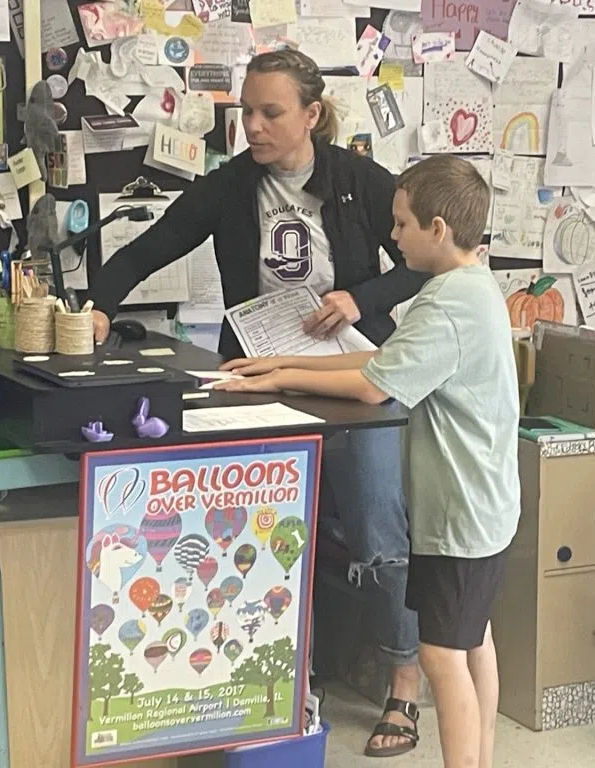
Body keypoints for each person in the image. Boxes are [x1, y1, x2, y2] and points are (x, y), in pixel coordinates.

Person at [87, 49, 428, 758]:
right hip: (262, 379)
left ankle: (405, 678)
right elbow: (152, 245)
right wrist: (96, 305)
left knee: (376, 533)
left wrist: (359, 297)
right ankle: (276, 679)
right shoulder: (231, 185)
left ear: (311, 114)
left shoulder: (360, 180)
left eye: (271, 112)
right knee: (256, 539)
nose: (253, 126)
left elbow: (427, 261)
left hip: (354, 383)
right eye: (245, 111)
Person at [216, 155, 521, 768]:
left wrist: (277, 381)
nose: (393, 236)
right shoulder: (470, 286)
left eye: (403, 225)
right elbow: (375, 362)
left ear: (437, 230)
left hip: (459, 513)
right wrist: (278, 368)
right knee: (474, 640)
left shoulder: (444, 305)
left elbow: (372, 388)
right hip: (487, 506)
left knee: (440, 657)